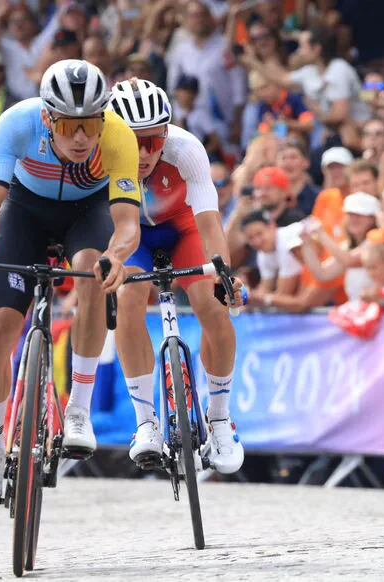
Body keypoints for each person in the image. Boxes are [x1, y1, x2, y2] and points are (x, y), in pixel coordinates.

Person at [0, 60, 141, 502]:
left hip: (87, 213)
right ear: (47, 118)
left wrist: (116, 257)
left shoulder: (117, 136)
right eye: (69, 125)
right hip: (25, 212)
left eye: (90, 124)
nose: (81, 137)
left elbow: (128, 222)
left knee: (93, 274)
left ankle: (78, 409)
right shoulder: (17, 122)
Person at [107, 78, 247, 474]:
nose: (145, 152)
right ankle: (145, 423)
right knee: (129, 298)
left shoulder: (186, 150)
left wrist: (224, 276)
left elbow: (209, 225)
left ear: (166, 133)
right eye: (135, 141)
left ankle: (219, 417)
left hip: (183, 228)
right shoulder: (100, 154)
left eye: (153, 140)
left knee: (212, 304)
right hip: (131, 233)